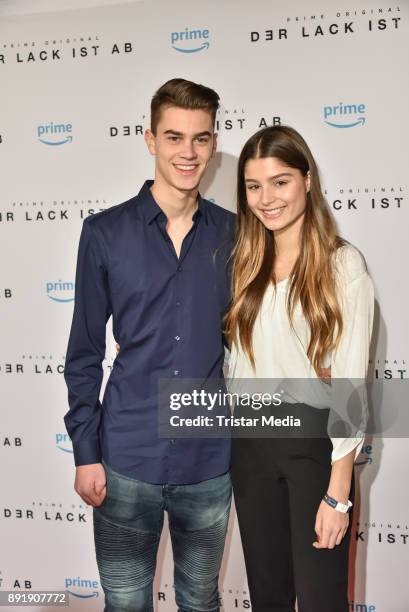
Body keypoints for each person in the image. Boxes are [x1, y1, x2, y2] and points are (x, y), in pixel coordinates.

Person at [64, 78, 234, 612]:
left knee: (200, 601)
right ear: (149, 139)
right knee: (125, 601)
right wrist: (86, 453)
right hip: (125, 457)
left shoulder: (238, 234)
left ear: (213, 144)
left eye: (201, 139)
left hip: (208, 461)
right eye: (175, 137)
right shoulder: (105, 233)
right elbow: (84, 352)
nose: (188, 153)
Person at [225, 125, 374, 612]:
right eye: (253, 186)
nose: (266, 199)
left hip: (315, 453)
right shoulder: (244, 263)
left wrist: (337, 496)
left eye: (280, 181)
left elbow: (349, 386)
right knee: (267, 598)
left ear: (307, 180)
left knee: (320, 601)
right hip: (249, 450)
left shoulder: (342, 265)